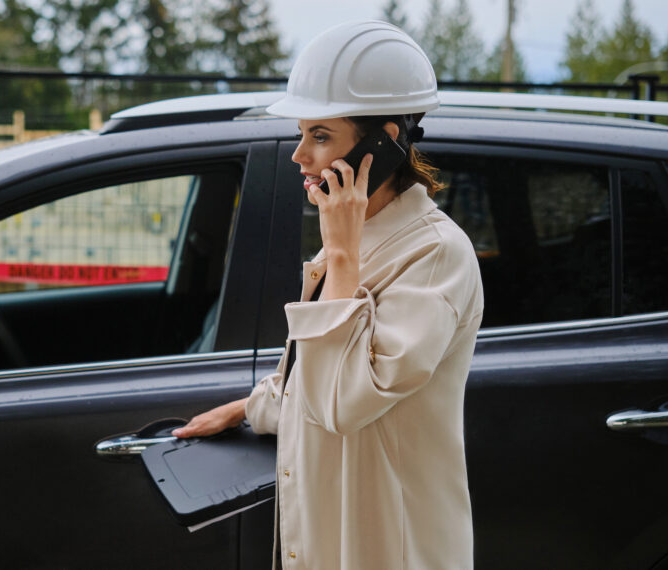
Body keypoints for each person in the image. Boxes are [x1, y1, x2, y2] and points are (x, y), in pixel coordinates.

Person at [172, 20, 483, 570]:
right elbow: (315, 380)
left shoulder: (434, 255)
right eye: (302, 133)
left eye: (320, 136)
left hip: (389, 546)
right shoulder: (365, 238)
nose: (299, 155)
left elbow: (343, 402)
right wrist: (251, 407)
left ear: (382, 144)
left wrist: (340, 254)